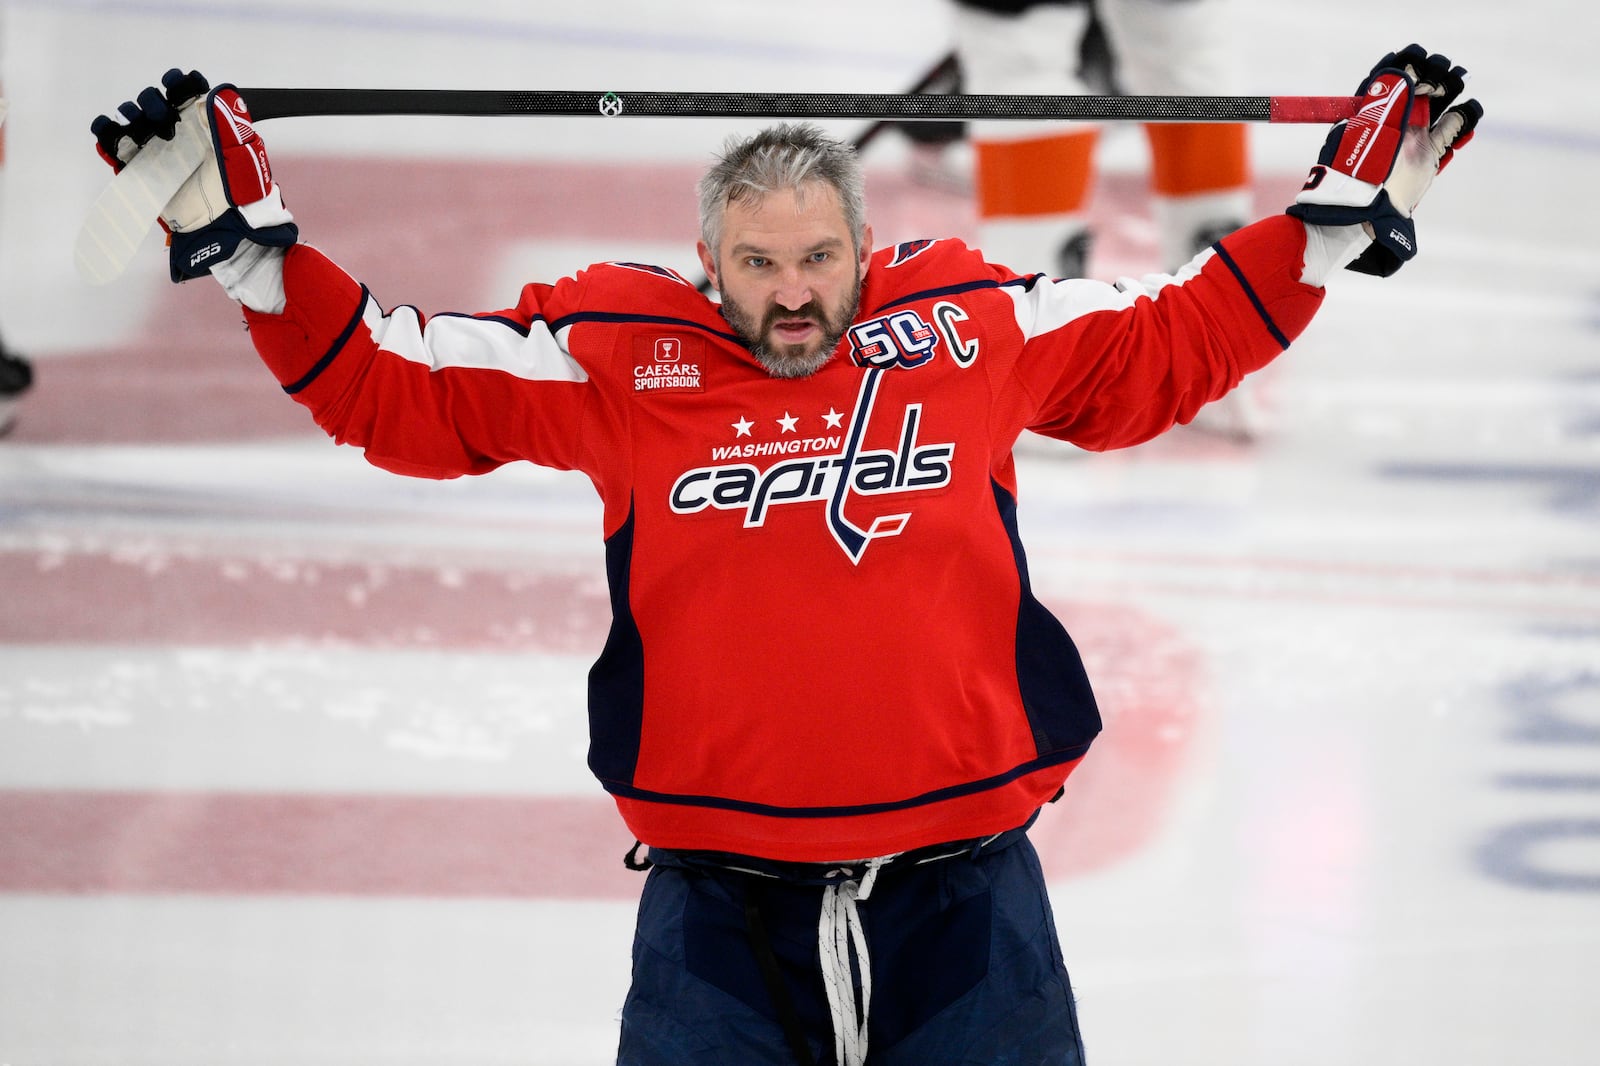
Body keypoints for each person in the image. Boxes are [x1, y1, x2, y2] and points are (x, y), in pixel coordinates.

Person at [91, 46, 1479, 1064]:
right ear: (710, 262)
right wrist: (248, 256)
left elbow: (1171, 348)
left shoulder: (972, 325)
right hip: (717, 923)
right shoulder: (617, 354)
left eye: (820, 256)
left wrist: (1329, 229)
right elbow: (399, 387)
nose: (796, 291)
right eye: (760, 265)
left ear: (864, 248)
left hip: (969, 898)